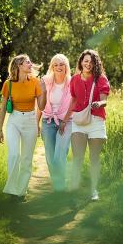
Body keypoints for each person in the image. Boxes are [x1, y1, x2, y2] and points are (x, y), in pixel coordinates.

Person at [61, 49, 110, 201]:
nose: (88, 64)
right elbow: (73, 101)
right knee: (78, 157)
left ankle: (93, 190)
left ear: (96, 63)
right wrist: (64, 120)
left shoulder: (100, 79)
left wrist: (99, 103)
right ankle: (74, 187)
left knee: (94, 158)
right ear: (81, 62)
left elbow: (105, 100)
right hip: (79, 122)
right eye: (86, 61)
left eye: (91, 61)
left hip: (96, 121)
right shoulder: (74, 79)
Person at [0, 54, 46, 199]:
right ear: (18, 65)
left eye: (30, 62)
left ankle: (21, 191)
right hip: (14, 120)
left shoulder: (36, 82)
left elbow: (42, 106)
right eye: (27, 62)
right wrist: (0, 129)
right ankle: (12, 189)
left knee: (26, 158)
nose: (30, 64)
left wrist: (44, 90)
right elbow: (3, 108)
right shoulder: (8, 84)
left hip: (30, 120)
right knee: (14, 154)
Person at [37, 54, 73, 192]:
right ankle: (57, 184)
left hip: (67, 121)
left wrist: (64, 121)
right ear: (52, 67)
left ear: (66, 66)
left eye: (61, 64)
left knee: (59, 154)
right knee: (50, 157)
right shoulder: (45, 81)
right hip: (48, 121)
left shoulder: (72, 82)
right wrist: (37, 123)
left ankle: (61, 187)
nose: (58, 67)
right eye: (55, 65)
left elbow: (74, 104)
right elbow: (39, 104)